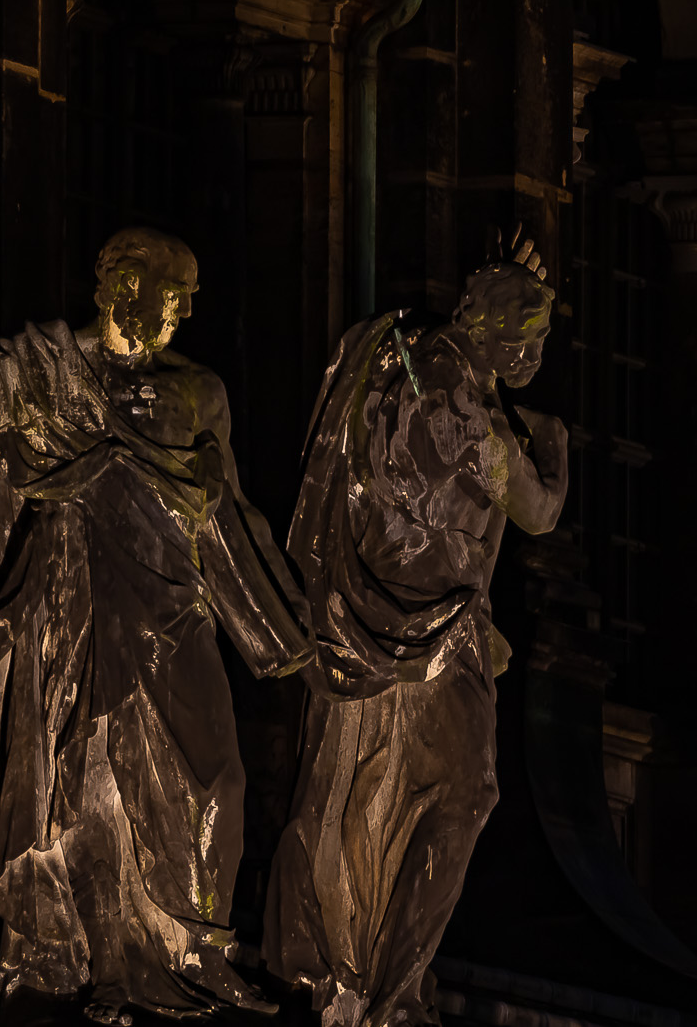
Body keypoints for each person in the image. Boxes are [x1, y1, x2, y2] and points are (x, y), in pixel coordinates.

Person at [0, 227, 309, 1023]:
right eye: (176, 291)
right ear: (127, 288)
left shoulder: (199, 392)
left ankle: (198, 950)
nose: (186, 311)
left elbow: (229, 516)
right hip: (76, 603)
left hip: (173, 609)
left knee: (217, 779)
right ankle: (110, 966)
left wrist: (289, 631)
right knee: (88, 785)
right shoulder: (43, 372)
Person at [265, 237, 569, 1027]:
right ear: (500, 335)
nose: (537, 355)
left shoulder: (390, 350)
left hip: (356, 616)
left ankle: (350, 971)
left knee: (361, 791)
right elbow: (538, 509)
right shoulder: (469, 404)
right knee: (465, 793)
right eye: (531, 340)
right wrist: (558, 448)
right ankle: (393, 992)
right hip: (435, 632)